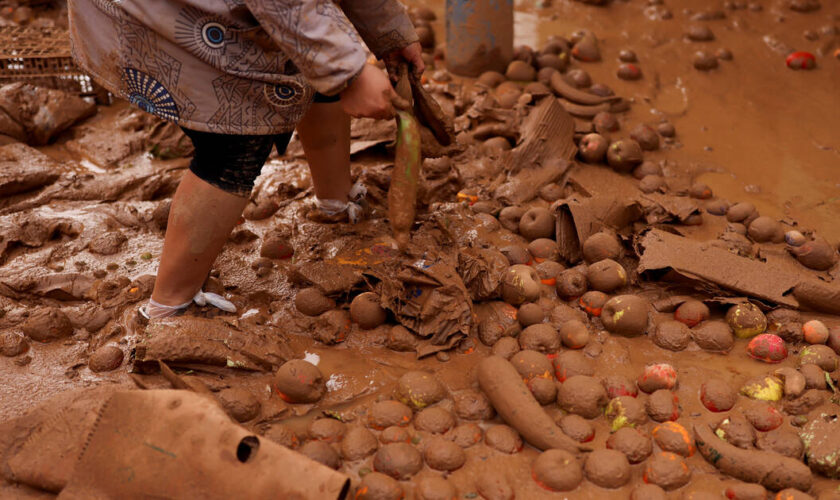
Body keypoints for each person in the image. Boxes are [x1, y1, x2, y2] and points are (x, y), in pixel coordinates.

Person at [67, 0, 424, 318]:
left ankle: (335, 203)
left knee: (315, 68)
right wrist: (351, 72)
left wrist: (390, 33)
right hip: (161, 16)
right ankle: (169, 306)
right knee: (236, 139)